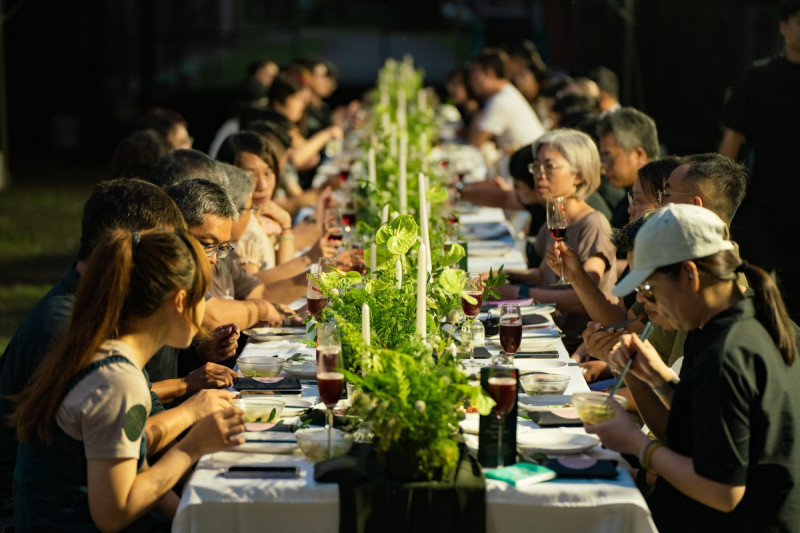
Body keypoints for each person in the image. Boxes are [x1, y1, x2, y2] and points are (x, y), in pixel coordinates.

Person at [0, 179, 237, 516]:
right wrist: (194, 443)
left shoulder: (112, 343)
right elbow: (114, 510)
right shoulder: (78, 338)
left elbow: (134, 450)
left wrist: (190, 519)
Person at [585, 204, 800, 532]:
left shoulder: (728, 353)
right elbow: (712, 422)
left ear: (690, 274)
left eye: (648, 289)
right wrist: (655, 378)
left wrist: (637, 444)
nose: (644, 302)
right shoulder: (751, 321)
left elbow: (723, 490)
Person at [494, 129, 617, 351]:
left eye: (549, 167)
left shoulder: (593, 224)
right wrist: (502, 276)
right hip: (546, 331)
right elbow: (544, 275)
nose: (539, 174)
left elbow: (582, 298)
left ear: (579, 175)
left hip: (574, 345)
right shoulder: (555, 218)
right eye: (537, 166)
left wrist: (520, 294)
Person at [719, 1, 800, 325]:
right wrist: (718, 208)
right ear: (783, 26)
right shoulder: (758, 78)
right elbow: (730, 147)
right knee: (762, 307)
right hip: (765, 213)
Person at [468, 48, 546, 153]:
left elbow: (475, 143)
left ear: (489, 73)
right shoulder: (505, 93)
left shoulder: (501, 101)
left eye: (474, 73)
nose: (471, 79)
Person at [596, 107, 659, 228]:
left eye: (609, 158)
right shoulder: (626, 201)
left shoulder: (654, 208)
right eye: (602, 159)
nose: (603, 166)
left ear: (638, 154)